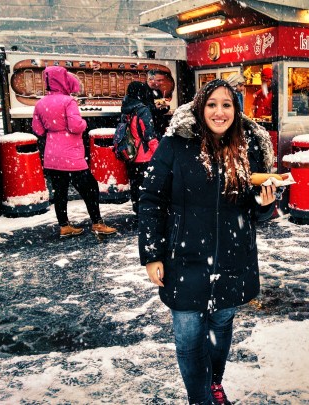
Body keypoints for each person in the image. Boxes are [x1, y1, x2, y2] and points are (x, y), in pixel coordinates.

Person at [138, 79, 277, 405]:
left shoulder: (248, 146)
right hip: (185, 259)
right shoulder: (175, 145)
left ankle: (213, 383)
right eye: (212, 104)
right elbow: (150, 200)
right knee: (188, 338)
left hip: (233, 256)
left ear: (236, 110)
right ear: (200, 107)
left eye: (227, 104)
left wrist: (266, 202)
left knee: (221, 325)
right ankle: (199, 399)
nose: (219, 112)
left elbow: (254, 207)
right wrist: (151, 254)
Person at [32, 66, 117, 238]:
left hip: (52, 154)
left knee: (59, 190)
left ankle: (64, 226)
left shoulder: (40, 103)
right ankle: (97, 223)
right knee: (90, 188)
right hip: (71, 154)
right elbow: (76, 126)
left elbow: (38, 130)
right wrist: (84, 123)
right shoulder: (68, 101)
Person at [120, 81, 158, 214]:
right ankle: (147, 213)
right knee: (148, 186)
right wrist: (159, 154)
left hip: (130, 154)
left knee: (135, 185)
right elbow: (149, 135)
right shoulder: (143, 110)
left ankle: (137, 211)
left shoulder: (126, 109)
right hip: (144, 155)